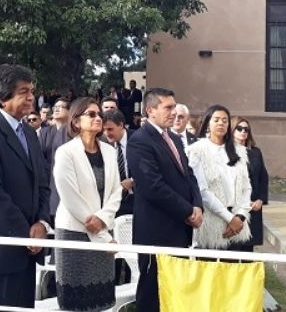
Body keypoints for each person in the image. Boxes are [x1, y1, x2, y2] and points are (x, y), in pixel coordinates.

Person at [0, 64, 50, 309]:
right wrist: (26, 233)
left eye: (32, 91)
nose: (31, 97)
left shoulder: (30, 132)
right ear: (3, 97)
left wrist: (41, 224)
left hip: (28, 252)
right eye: (23, 91)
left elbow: (42, 185)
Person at [128, 88, 203, 312]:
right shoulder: (140, 141)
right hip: (155, 231)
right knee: (152, 294)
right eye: (168, 108)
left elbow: (189, 176)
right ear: (150, 110)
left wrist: (197, 205)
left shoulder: (174, 139)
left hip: (178, 231)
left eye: (174, 106)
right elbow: (153, 187)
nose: (173, 112)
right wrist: (187, 211)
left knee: (174, 292)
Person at [53, 97, 121, 311]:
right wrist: (102, 235)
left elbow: (116, 191)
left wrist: (102, 220)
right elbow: (70, 196)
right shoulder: (66, 152)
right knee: (76, 304)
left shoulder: (110, 151)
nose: (98, 118)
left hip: (103, 229)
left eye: (99, 114)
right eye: (91, 114)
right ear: (75, 121)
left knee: (101, 302)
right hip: (75, 232)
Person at [188, 106, 252, 251]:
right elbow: (202, 191)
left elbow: (246, 187)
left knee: (234, 271)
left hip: (237, 224)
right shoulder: (197, 150)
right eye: (216, 120)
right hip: (212, 222)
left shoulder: (239, 150)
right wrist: (229, 218)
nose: (221, 123)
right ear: (207, 123)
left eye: (225, 120)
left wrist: (240, 216)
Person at [231, 116, 269, 250]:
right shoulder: (226, 151)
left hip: (253, 206)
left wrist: (261, 199)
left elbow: (263, 177)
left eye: (246, 129)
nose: (243, 132)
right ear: (232, 130)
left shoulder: (255, 152)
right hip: (234, 208)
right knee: (233, 247)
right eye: (239, 128)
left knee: (248, 248)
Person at [38, 97, 71, 222]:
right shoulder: (44, 133)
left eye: (61, 107)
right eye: (55, 107)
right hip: (48, 179)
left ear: (69, 111)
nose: (57, 109)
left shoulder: (73, 133)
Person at [102, 109, 134, 217]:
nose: (107, 134)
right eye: (104, 130)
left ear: (121, 125)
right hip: (115, 203)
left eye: (110, 129)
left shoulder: (137, 140)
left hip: (137, 198)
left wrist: (132, 181)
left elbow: (148, 167)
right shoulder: (103, 144)